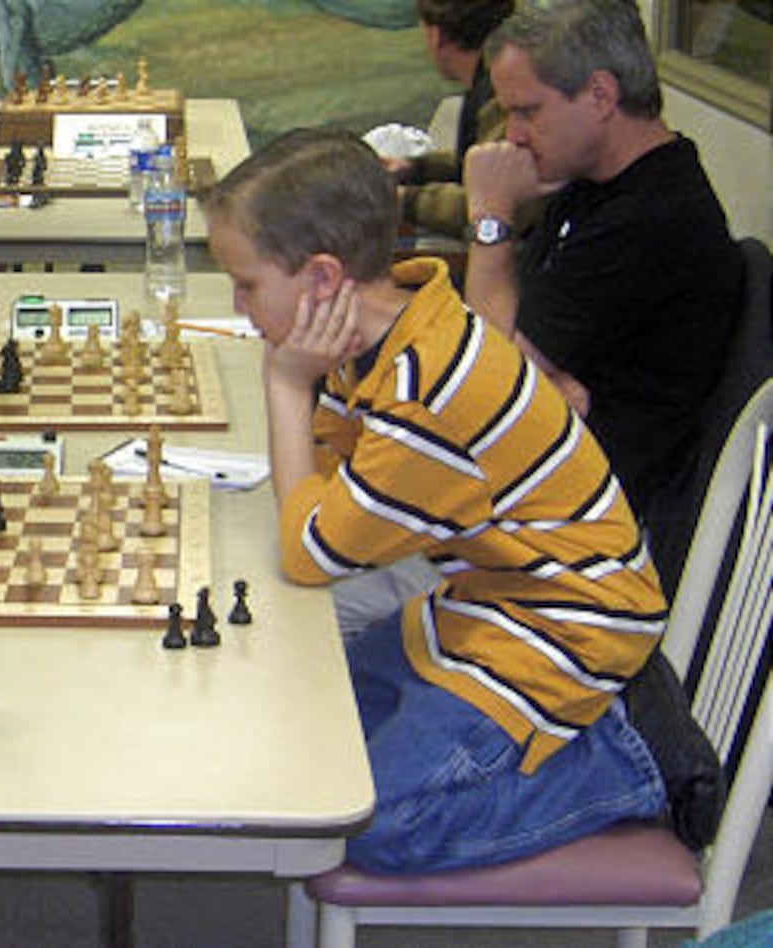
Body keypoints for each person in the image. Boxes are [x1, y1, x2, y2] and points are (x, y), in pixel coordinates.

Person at [206, 127, 668, 874]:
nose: (238, 304)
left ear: (322, 278)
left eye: (247, 283)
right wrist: (312, 390)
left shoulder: (428, 391)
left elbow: (309, 551)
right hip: (482, 605)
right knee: (312, 732)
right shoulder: (403, 326)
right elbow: (325, 489)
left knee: (370, 821)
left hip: (565, 631)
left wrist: (286, 383)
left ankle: (619, 765)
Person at [463, 0, 745, 599]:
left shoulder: (652, 219)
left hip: (567, 546)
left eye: (526, 111)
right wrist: (531, 376)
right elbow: (505, 364)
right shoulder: (591, 185)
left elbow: (488, 385)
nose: (511, 135)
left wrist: (490, 220)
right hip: (525, 494)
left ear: (599, 94)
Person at [384, 0, 511, 238]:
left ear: (436, 36)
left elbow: (487, 203)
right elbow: (481, 164)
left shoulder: (502, 92)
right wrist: (415, 169)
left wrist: (401, 200)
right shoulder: (490, 80)